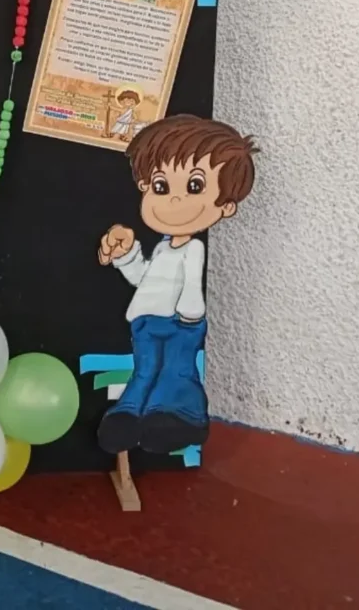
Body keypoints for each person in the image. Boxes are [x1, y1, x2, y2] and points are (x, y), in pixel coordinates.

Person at [97, 115, 258, 455]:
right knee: (144, 371)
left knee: (177, 370)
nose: (173, 201)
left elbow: (191, 287)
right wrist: (126, 256)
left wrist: (190, 315)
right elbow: (145, 279)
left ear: (227, 205)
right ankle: (129, 414)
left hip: (181, 321)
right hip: (146, 320)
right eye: (161, 187)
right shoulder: (161, 248)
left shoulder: (193, 248)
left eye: (194, 187)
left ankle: (182, 418)